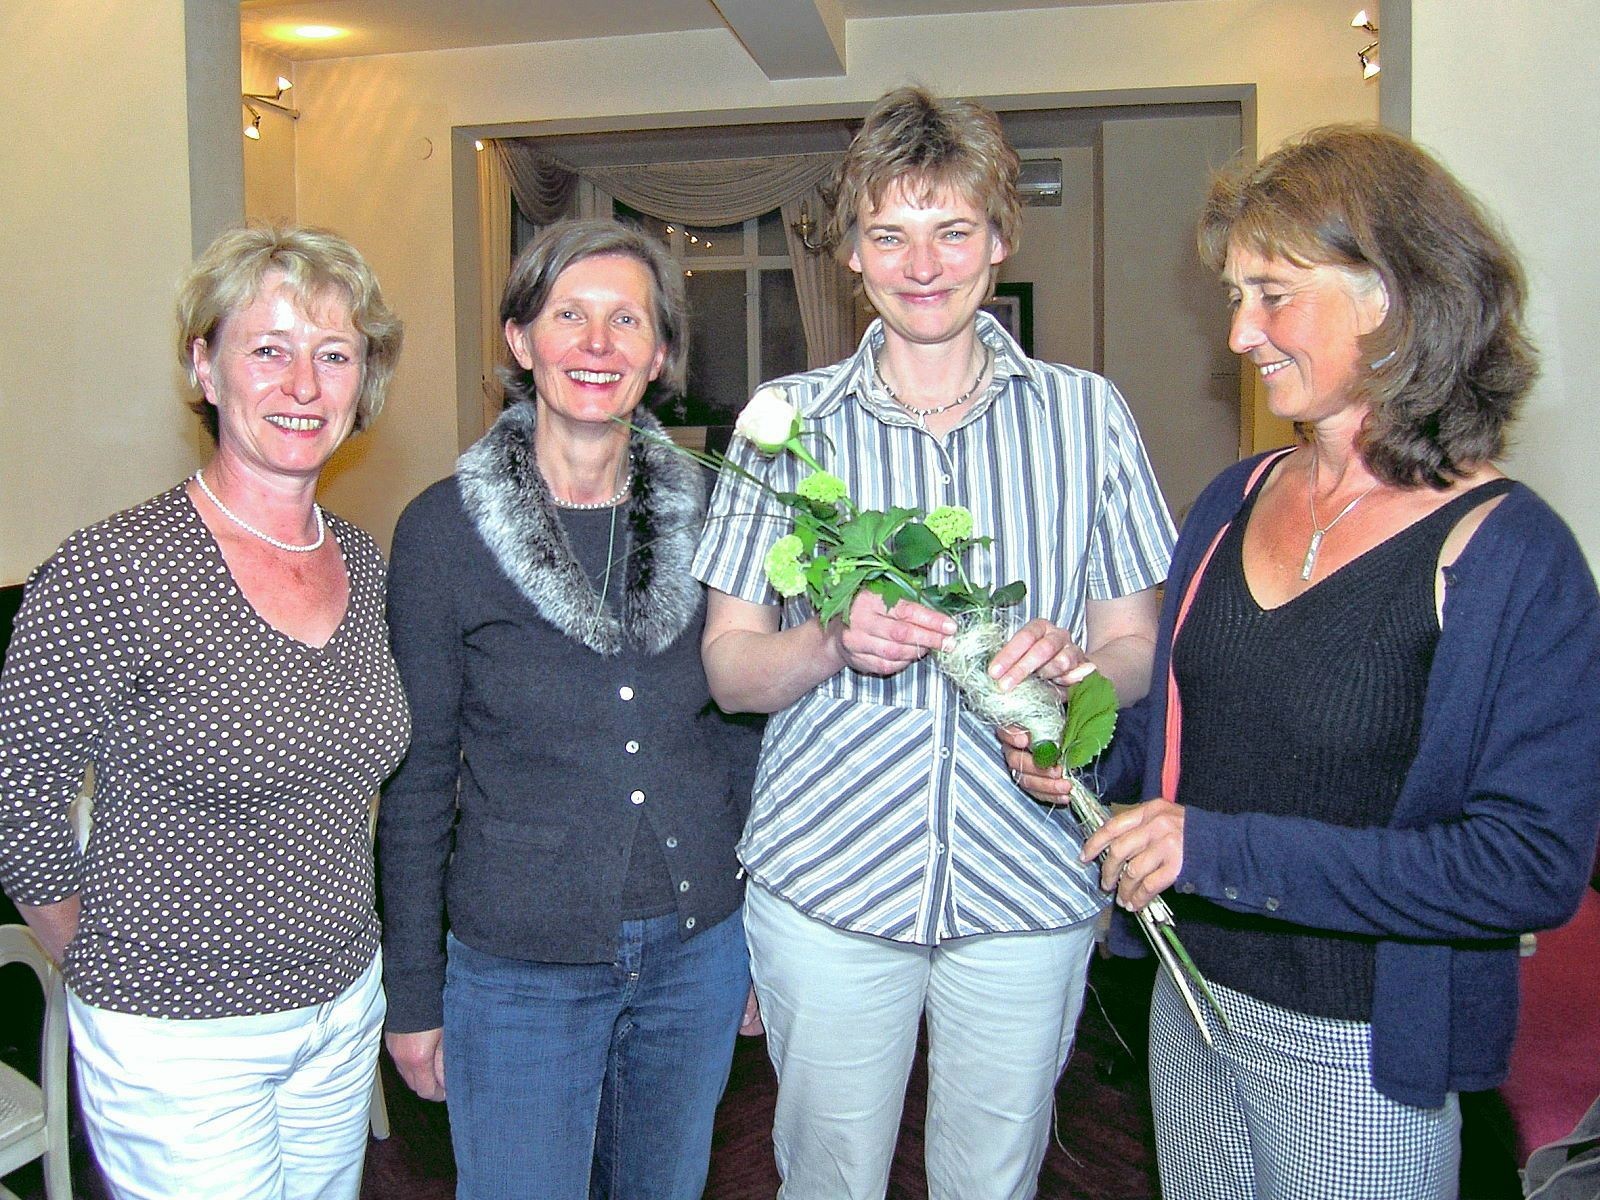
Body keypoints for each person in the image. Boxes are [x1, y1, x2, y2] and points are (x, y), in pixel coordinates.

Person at [1006, 125, 1600, 1199]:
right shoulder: (1231, 501)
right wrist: (1073, 746)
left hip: (1361, 1050)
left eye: (1272, 294)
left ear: (1392, 296)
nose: (1241, 333)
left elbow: (1526, 866)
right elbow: (1175, 746)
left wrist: (1215, 849)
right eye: (1235, 296)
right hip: (1191, 1003)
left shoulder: (1512, 556)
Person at [691, 87, 1174, 1200]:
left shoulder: (1087, 416)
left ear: (999, 240)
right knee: (828, 1177)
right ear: (850, 254)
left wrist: (1079, 673)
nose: (922, 265)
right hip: (830, 882)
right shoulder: (786, 424)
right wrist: (827, 642)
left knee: (991, 1180)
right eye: (889, 234)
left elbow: (1136, 644)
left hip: (1026, 882)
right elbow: (728, 665)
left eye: (952, 230)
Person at [0, 224, 410, 1199]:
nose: (303, 385)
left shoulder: (361, 561)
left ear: (363, 383)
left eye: (334, 354)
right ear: (203, 366)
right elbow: (21, 802)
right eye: (267, 349)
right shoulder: (116, 569)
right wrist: (107, 968)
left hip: (339, 1009)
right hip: (178, 1040)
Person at [378, 217, 760, 1200]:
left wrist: (755, 941)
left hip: (697, 954)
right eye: (568, 316)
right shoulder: (442, 531)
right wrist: (412, 992)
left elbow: (744, 740)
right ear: (520, 340)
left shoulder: (718, 516)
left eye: (626, 320)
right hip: (519, 967)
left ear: (660, 354)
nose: (598, 344)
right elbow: (418, 780)